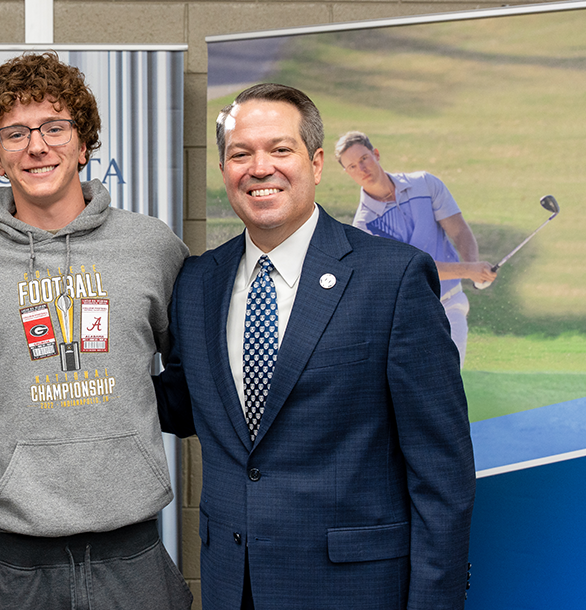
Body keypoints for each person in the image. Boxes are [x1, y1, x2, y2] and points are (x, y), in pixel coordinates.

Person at [155, 84, 475, 609]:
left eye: (280, 149)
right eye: (240, 153)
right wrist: (79, 379)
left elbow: (442, 472)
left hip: (354, 589)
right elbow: (191, 402)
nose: (260, 168)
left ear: (317, 162)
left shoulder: (391, 279)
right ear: (223, 169)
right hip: (234, 587)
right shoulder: (197, 283)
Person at [0, 52, 192, 610]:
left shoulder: (151, 247)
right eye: (15, 132)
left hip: (133, 550)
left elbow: (198, 371)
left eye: (54, 126)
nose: (37, 145)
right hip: (11, 559)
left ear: (83, 141)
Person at [335, 130, 496, 365]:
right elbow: (414, 269)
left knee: (449, 381)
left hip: (450, 303)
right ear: (348, 173)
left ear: (376, 154)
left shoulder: (424, 184)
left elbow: (459, 231)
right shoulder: (364, 227)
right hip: (409, 318)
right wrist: (468, 270)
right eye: (352, 167)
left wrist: (473, 268)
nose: (361, 169)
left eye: (364, 159)